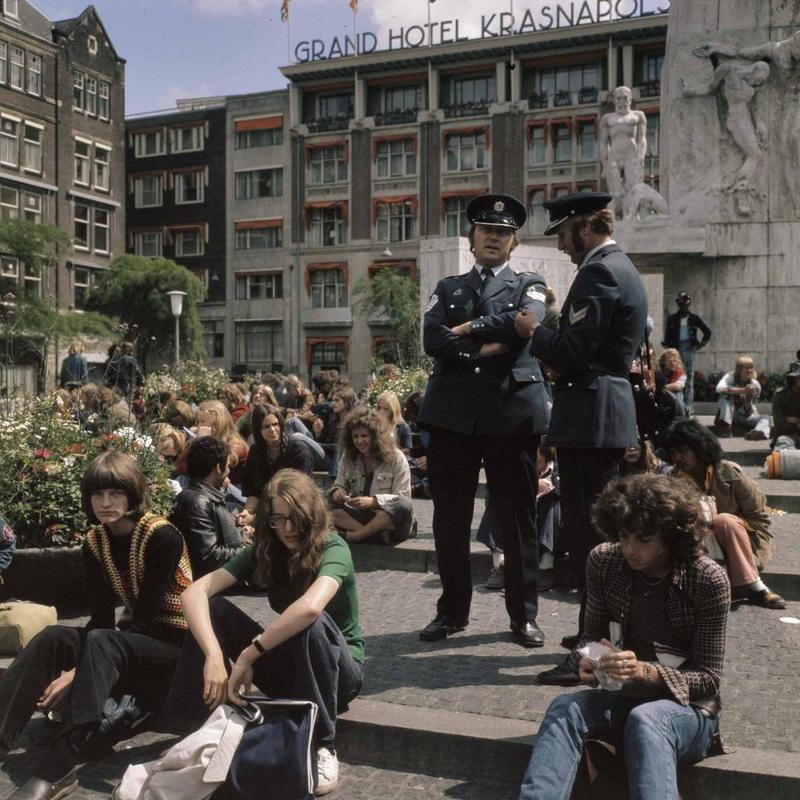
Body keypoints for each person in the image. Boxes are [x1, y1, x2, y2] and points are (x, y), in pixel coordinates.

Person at [519, 473, 729, 800]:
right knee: (565, 707)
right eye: (624, 536)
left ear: (671, 535)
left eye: (644, 539)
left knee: (648, 719)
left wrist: (646, 671)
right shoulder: (605, 560)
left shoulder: (707, 579)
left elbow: (708, 677)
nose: (631, 549)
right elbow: (589, 637)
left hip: (687, 711)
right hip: (620, 699)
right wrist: (589, 660)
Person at [0, 452, 192, 800]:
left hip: (177, 651)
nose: (105, 503)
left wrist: (76, 674)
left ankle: (59, 767)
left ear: (133, 493)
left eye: (115, 493)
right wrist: (77, 662)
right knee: (54, 637)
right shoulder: (95, 542)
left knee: (104, 642)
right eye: (97, 494)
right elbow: (102, 618)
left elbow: (144, 621)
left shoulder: (163, 536)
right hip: (128, 643)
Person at [162, 469, 364, 797]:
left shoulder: (334, 547)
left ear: (311, 514)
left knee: (312, 621)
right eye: (277, 519)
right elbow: (193, 593)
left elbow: (311, 608)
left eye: (294, 518)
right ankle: (194, 725)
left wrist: (247, 654)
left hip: (339, 672)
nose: (286, 529)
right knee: (215, 609)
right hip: (291, 668)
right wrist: (214, 655)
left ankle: (324, 745)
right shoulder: (267, 550)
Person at [515, 191, 647, 683]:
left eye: (564, 235)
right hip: (599, 413)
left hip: (591, 415)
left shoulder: (600, 271)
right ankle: (592, 633)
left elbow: (573, 349)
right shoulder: (619, 266)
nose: (563, 247)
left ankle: (592, 652)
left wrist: (533, 330)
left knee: (591, 539)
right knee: (593, 535)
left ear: (584, 227)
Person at [417, 193, 551, 647]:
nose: (494, 238)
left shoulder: (530, 283)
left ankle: (523, 616)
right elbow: (432, 338)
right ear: (472, 238)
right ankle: (452, 611)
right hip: (453, 416)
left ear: (513, 242)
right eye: (486, 230)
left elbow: (529, 320)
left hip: (510, 413)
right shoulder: (449, 285)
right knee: (449, 521)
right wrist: (485, 345)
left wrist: (469, 329)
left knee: (517, 520)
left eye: (503, 232)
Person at [664, 418, 785, 609]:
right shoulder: (673, 479)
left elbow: (760, 519)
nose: (678, 458)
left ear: (699, 448)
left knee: (723, 521)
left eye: (684, 451)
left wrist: (718, 525)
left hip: (742, 541)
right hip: (698, 544)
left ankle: (757, 587)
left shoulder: (728, 472)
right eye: (674, 453)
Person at [330, 406, 414, 545]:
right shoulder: (348, 457)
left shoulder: (396, 457)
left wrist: (373, 501)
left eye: (364, 436)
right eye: (355, 436)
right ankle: (372, 535)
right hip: (359, 516)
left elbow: (403, 497)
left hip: (388, 519)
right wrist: (338, 492)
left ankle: (357, 536)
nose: (359, 441)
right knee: (324, 502)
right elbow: (339, 484)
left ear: (375, 436)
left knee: (404, 506)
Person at [170, 437, 247, 578]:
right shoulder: (198, 501)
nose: (229, 470)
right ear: (218, 467)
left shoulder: (205, 496)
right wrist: (248, 551)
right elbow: (209, 555)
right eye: (227, 465)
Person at [237, 404, 314, 529]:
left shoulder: (297, 449)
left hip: (295, 508)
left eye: (275, 424)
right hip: (265, 508)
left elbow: (298, 493)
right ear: (258, 430)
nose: (272, 430)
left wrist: (257, 518)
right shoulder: (256, 451)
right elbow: (254, 492)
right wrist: (248, 511)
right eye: (266, 426)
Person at [662, 292, 712, 415]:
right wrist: (668, 348)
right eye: (681, 303)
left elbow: (707, 332)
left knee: (689, 378)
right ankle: (677, 404)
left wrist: (701, 344)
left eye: (685, 303)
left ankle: (688, 406)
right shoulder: (672, 318)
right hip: (676, 349)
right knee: (675, 376)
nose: (683, 305)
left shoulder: (694, 318)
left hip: (689, 348)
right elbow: (668, 335)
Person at [715, 355, 771, 440]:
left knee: (766, 417)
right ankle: (727, 428)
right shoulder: (730, 377)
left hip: (746, 415)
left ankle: (758, 432)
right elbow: (719, 388)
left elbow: (750, 406)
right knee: (725, 395)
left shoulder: (755, 384)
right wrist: (743, 390)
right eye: (746, 368)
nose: (749, 371)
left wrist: (749, 397)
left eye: (751, 368)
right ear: (739, 369)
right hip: (730, 414)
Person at [771, 360, 800, 450]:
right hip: (788, 436)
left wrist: (795, 421)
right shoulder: (780, 396)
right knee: (783, 446)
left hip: (793, 429)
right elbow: (780, 426)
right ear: (793, 379)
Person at [376, 390, 412, 454]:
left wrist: (393, 452)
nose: (381, 411)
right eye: (379, 408)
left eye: (386, 409)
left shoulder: (402, 427)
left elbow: (408, 449)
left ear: (393, 410)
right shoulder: (373, 424)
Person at [657, 348, 687, 417]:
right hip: (660, 397)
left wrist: (662, 388)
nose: (673, 363)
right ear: (664, 361)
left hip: (672, 397)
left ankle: (680, 415)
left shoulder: (681, 373)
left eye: (675, 361)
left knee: (677, 393)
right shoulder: (658, 372)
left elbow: (678, 386)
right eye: (669, 361)